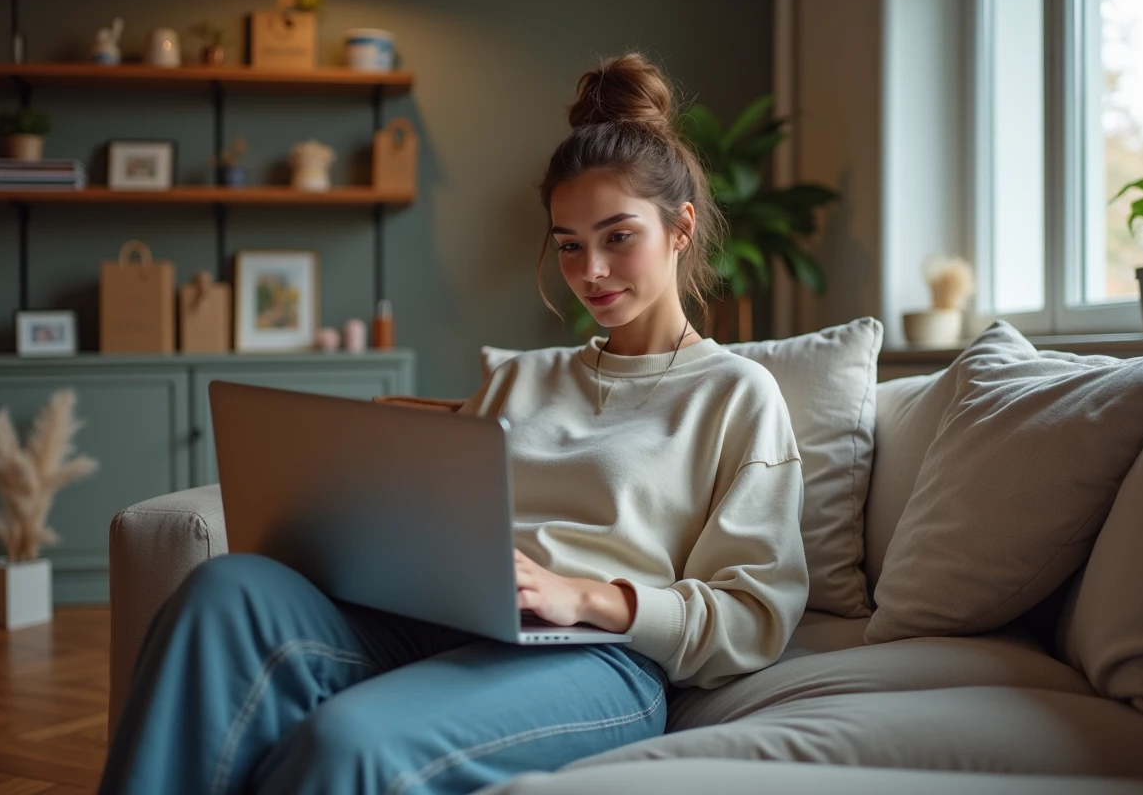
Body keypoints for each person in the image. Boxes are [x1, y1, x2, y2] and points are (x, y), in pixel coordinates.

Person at [98, 52, 808, 795]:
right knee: (226, 590)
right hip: (441, 629)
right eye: (569, 244)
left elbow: (753, 615)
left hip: (593, 660)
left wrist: (585, 596)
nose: (591, 270)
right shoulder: (520, 379)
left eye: (617, 237)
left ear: (681, 228)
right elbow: (434, 521)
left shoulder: (736, 394)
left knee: (348, 743)